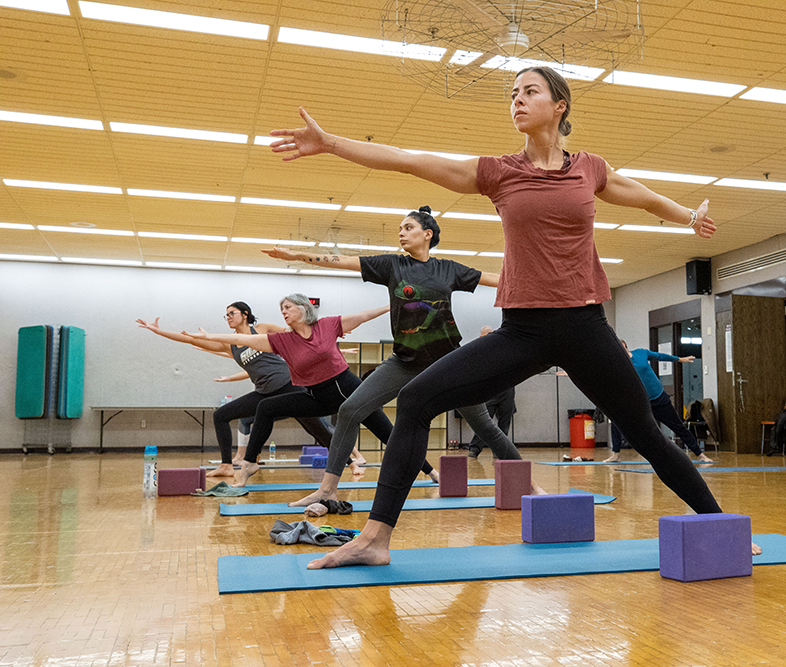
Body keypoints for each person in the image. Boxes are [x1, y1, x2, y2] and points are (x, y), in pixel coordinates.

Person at [268, 65, 759, 567]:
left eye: (530, 92)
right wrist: (332, 144)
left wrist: (689, 217)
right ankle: (374, 539)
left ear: (559, 105)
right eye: (513, 94)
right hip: (523, 329)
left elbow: (647, 198)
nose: (517, 101)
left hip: (584, 325)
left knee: (648, 433)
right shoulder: (498, 172)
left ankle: (720, 525)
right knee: (415, 400)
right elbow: (410, 160)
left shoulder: (589, 168)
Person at [263, 208, 542, 515]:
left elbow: (493, 279)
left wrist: (536, 286)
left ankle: (529, 485)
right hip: (405, 361)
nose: (401, 232)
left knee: (486, 428)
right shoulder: (392, 265)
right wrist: (298, 255)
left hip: (449, 363)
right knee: (349, 410)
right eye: (399, 228)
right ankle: (327, 489)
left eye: (408, 227)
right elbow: (343, 261)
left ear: (427, 234)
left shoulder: (447, 269)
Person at [186, 295, 424, 490]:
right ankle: (248, 463)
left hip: (344, 390)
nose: (284, 312)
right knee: (266, 410)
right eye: (282, 309)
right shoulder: (283, 340)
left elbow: (362, 316)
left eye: (288, 307)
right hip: (311, 395)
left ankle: (427, 470)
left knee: (378, 432)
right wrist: (203, 336)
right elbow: (236, 341)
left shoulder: (323, 325)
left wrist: (392, 304)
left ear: (303, 308)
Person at [136, 303, 344, 477]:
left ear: (245, 314)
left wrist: (330, 332)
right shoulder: (230, 344)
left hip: (288, 385)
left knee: (315, 427)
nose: (228, 317)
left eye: (232, 313)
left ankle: (347, 461)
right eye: (226, 315)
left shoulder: (261, 329)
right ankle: (226, 465)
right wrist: (158, 331)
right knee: (221, 415)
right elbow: (191, 339)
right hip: (263, 391)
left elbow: (295, 332)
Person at [604, 340, 713, 463]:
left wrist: (679, 359)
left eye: (621, 347)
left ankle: (700, 454)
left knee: (677, 426)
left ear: (626, 347)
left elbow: (659, 356)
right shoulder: (618, 364)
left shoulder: (640, 353)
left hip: (658, 398)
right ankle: (616, 454)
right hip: (639, 403)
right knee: (616, 420)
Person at [467, 327, 516, 459]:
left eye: (491, 335)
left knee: (504, 424)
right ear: (480, 337)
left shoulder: (504, 348)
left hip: (507, 389)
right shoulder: (477, 351)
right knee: (484, 422)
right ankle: (474, 449)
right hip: (489, 390)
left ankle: (499, 452)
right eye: (486, 335)